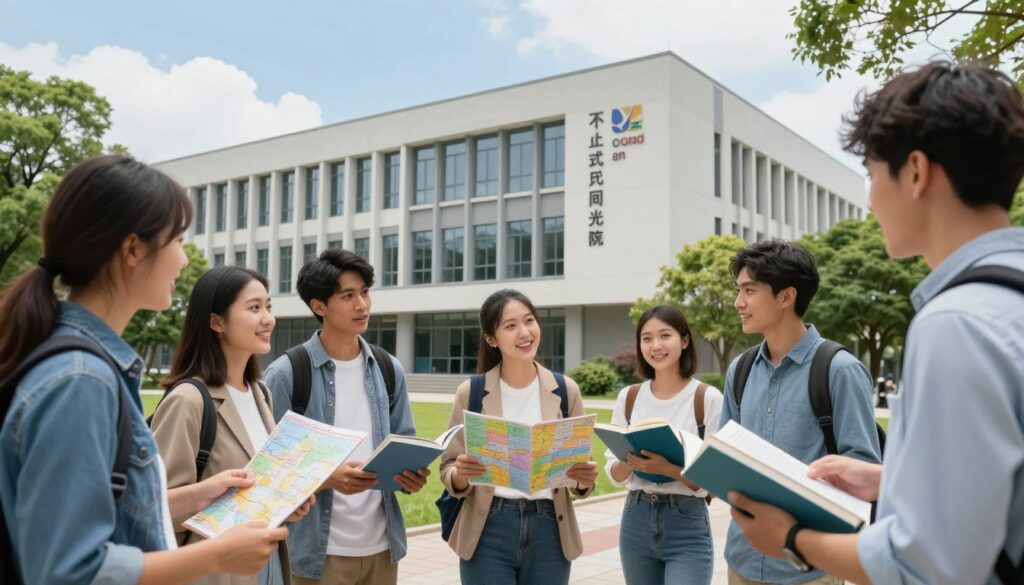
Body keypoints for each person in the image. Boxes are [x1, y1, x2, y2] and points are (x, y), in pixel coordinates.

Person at [728, 62, 1024, 585]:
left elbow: (927, 564)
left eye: (870, 174)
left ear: (915, 171)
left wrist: (792, 540)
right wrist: (892, 482)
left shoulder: (956, 324)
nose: (869, 201)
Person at [0, 155, 286, 585]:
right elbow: (68, 571)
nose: (184, 261)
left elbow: (114, 512)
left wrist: (204, 493)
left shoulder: (90, 369)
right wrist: (214, 556)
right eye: (176, 240)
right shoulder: (80, 381)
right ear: (133, 249)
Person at [720, 239, 881, 585]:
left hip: (808, 568)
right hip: (742, 557)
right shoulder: (741, 368)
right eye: (738, 290)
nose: (738, 302)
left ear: (786, 296)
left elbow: (864, 469)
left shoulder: (840, 370)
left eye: (749, 290)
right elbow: (725, 452)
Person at [263, 249, 426, 585]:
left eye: (365, 292)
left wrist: (412, 475)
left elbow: (405, 442)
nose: (362, 304)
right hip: (316, 554)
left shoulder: (387, 368)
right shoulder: (287, 373)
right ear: (318, 306)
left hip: (382, 547)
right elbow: (268, 469)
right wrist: (327, 478)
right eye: (348, 296)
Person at [151, 265, 312, 585]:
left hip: (269, 566)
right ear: (217, 322)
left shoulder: (259, 392)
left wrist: (282, 503)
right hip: (212, 574)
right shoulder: (188, 400)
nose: (268, 318)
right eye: (254, 308)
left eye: (268, 306)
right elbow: (155, 510)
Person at [439, 288, 599, 585]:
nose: (524, 332)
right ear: (491, 338)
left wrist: (583, 478)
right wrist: (461, 474)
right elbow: (448, 469)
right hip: (489, 526)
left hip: (550, 527)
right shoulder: (471, 393)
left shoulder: (566, 391)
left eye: (529, 321)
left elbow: (581, 476)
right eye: (510, 326)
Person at [604, 304, 724, 585]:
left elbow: (712, 482)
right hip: (636, 517)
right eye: (646, 338)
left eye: (664, 335)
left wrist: (667, 469)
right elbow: (614, 474)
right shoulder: (629, 397)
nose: (655, 345)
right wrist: (628, 456)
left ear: (684, 340)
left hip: (687, 521)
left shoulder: (707, 399)